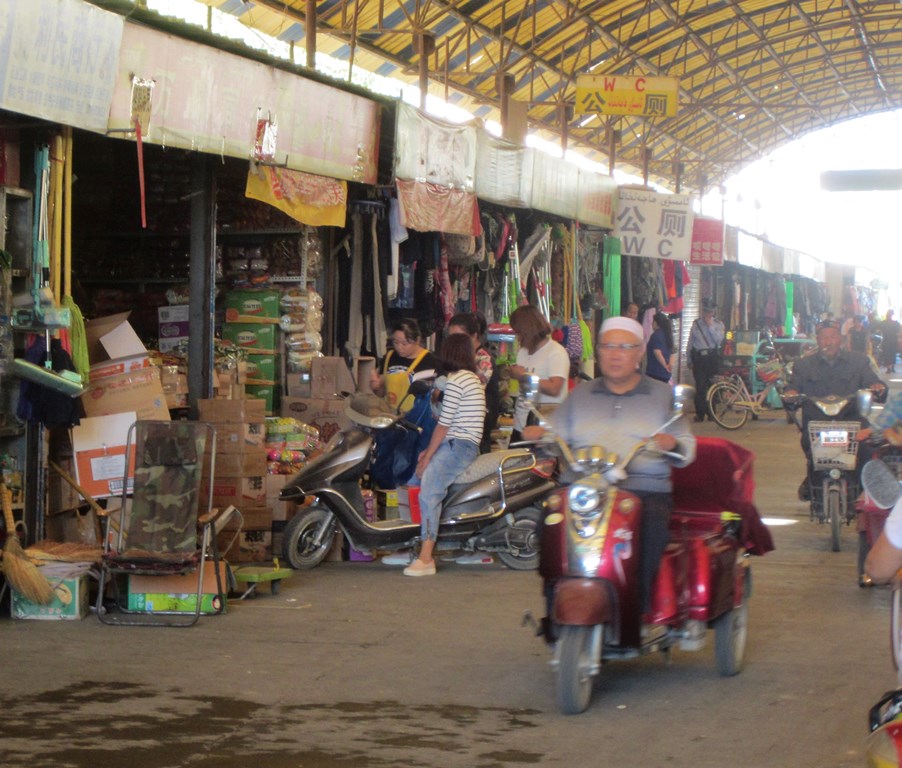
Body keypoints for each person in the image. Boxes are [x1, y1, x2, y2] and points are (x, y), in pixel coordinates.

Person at [525, 316, 696, 617]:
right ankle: (555, 608)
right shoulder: (581, 395)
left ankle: (638, 614)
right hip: (582, 488)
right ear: (598, 351)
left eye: (624, 347)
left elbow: (686, 445)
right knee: (549, 526)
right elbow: (556, 435)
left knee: (649, 535)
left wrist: (673, 444)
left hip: (642, 489)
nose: (615, 354)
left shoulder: (661, 396)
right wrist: (541, 435)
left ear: (639, 352)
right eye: (607, 347)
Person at [403, 334, 486, 577]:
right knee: (414, 480)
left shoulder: (458, 380)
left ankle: (426, 557)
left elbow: (443, 425)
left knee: (429, 489)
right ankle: (410, 545)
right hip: (457, 443)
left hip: (459, 445)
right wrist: (428, 453)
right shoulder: (469, 379)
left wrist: (428, 456)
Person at [784, 320, 887, 500]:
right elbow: (793, 388)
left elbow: (872, 381)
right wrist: (790, 394)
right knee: (811, 449)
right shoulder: (803, 365)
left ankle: (864, 496)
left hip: (852, 424)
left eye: (832, 337)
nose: (828, 342)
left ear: (841, 339)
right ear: (817, 340)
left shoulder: (859, 362)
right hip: (817, 426)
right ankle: (813, 483)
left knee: (868, 452)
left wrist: (877, 387)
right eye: (823, 337)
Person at [508, 305, 570, 444]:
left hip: (544, 428)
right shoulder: (523, 352)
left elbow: (555, 389)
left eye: (518, 333)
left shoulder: (556, 352)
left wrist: (524, 375)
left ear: (527, 330)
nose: (517, 337)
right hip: (521, 423)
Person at [448, 312, 499, 453]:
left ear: (474, 335)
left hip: (475, 431)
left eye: (459, 337)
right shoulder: (462, 357)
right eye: (451, 337)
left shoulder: (483, 361)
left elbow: (468, 393)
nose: (454, 342)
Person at [369, 318, 441, 412]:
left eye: (404, 343)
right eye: (395, 342)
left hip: (417, 420)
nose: (399, 347)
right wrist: (376, 387)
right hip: (390, 416)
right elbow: (381, 393)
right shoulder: (389, 357)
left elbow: (439, 396)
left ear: (417, 340)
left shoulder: (431, 361)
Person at [687, 300, 725, 421]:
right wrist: (689, 358)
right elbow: (690, 343)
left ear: (714, 312)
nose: (708, 314)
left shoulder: (719, 325)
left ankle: (711, 413)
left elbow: (719, 340)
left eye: (710, 312)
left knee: (712, 385)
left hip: (712, 358)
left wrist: (710, 327)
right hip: (699, 358)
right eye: (706, 311)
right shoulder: (696, 324)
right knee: (700, 386)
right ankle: (700, 414)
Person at [646, 312, 675, 383]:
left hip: (655, 372)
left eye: (653, 321)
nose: (651, 323)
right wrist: (669, 366)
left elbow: (657, 354)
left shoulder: (655, 335)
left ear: (656, 323)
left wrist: (665, 365)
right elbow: (672, 354)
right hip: (666, 375)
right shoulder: (669, 335)